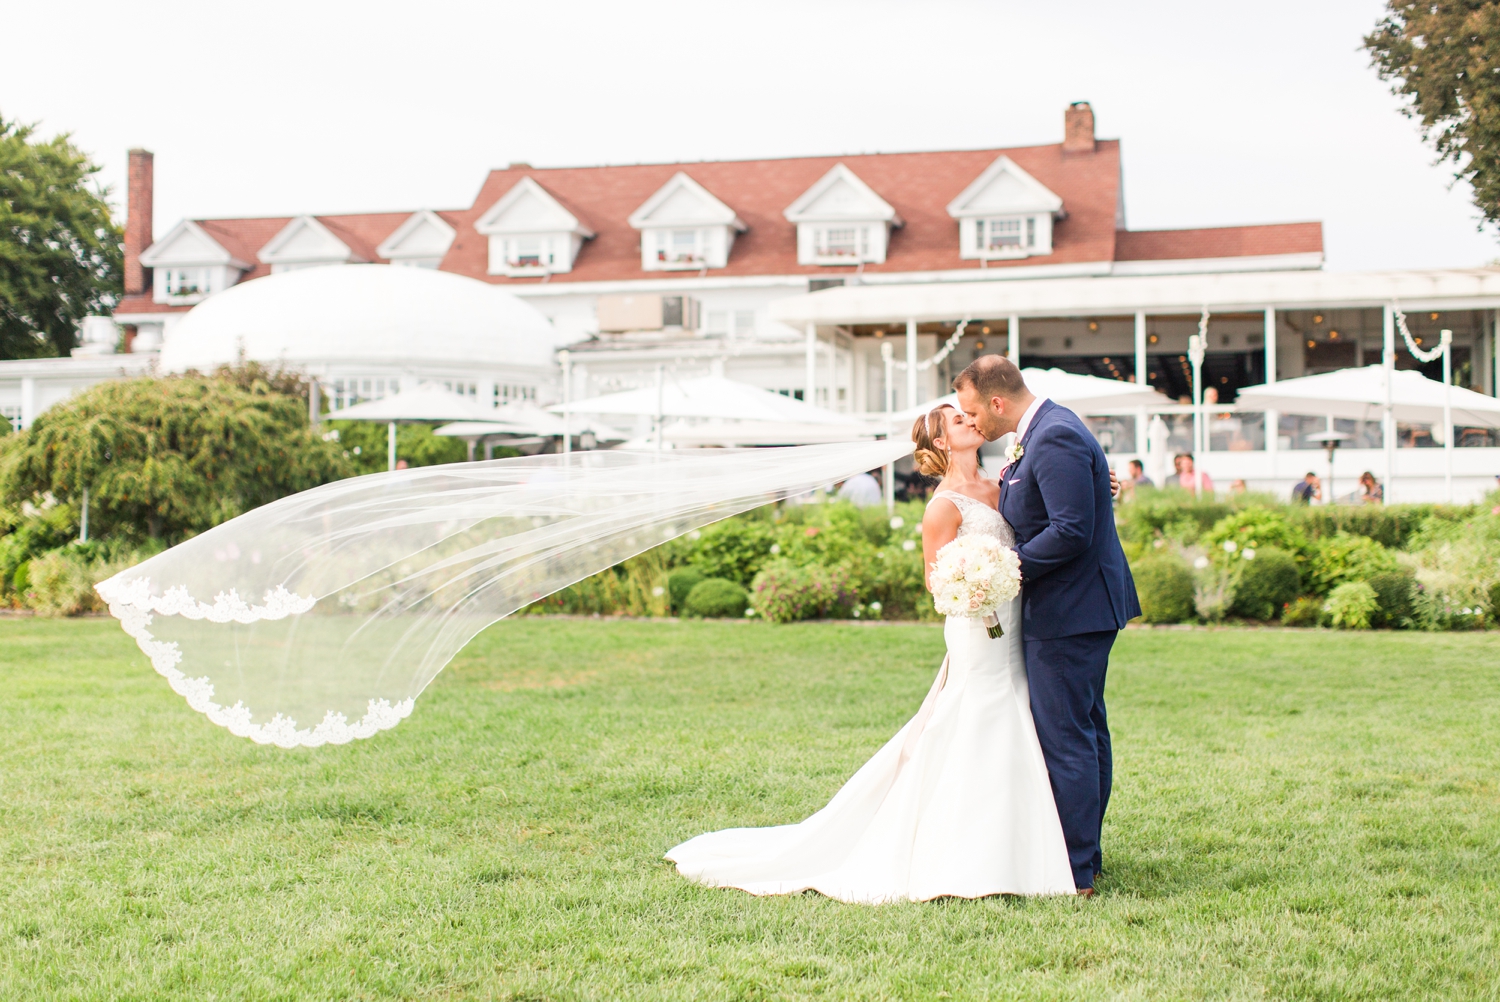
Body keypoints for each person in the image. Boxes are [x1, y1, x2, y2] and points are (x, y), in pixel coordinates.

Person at [666, 403, 1077, 901]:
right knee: (975, 718)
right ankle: (964, 854)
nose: (971, 420)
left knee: (1013, 715)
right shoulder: (944, 506)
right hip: (975, 626)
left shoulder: (1001, 485)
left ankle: (1016, 848)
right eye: (958, 420)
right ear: (943, 442)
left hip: (1013, 626)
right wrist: (977, 588)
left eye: (969, 416)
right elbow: (937, 585)